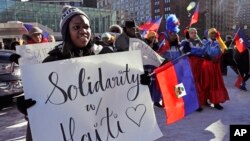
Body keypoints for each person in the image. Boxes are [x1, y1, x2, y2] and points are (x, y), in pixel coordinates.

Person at [17, 5, 150, 141]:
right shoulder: (51, 62)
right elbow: (43, 110)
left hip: (104, 131)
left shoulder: (105, 55)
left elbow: (122, 91)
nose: (83, 31)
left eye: (86, 27)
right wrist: (29, 109)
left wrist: (139, 83)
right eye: (76, 27)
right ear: (66, 32)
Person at [201, 28, 229, 110]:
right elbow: (202, 52)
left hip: (215, 66)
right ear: (209, 34)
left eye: (214, 33)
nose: (213, 35)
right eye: (212, 33)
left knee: (216, 83)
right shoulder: (205, 42)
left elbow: (222, 51)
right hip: (207, 66)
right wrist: (209, 58)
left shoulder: (218, 43)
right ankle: (205, 100)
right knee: (206, 83)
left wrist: (219, 57)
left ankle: (216, 102)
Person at [181, 28, 205, 111]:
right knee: (188, 82)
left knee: (197, 82)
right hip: (188, 65)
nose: (194, 34)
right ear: (188, 34)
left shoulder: (199, 42)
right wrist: (196, 52)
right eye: (192, 33)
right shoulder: (185, 42)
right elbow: (186, 52)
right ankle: (185, 102)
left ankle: (197, 102)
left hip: (198, 65)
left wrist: (196, 52)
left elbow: (203, 51)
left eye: (195, 33)